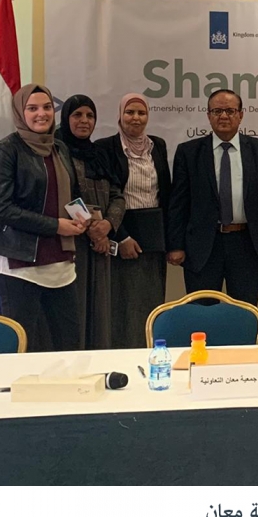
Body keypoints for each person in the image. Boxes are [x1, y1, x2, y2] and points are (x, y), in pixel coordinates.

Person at [0, 84, 86, 351]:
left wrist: (82, 217)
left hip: (61, 267)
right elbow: (1, 208)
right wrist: (56, 226)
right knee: (22, 349)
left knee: (70, 348)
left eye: (46, 107)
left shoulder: (60, 148)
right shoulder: (5, 150)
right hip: (20, 267)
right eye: (32, 108)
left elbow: (70, 194)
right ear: (20, 113)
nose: (41, 114)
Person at [167, 89, 258, 306]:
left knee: (244, 311)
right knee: (202, 312)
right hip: (203, 246)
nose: (223, 116)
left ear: (241, 114)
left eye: (230, 111)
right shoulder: (189, 152)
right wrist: (175, 245)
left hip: (247, 244)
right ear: (208, 115)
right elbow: (178, 203)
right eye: (217, 111)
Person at [96, 94, 172, 349]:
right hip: (122, 235)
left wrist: (169, 239)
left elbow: (165, 193)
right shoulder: (106, 147)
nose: (136, 118)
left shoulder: (157, 145)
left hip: (154, 237)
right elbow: (106, 196)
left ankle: (149, 353)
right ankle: (123, 356)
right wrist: (122, 237)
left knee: (151, 302)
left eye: (141, 112)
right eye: (130, 112)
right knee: (122, 305)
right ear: (120, 115)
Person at [55, 95, 125, 349]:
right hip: (70, 243)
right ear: (66, 118)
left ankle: (99, 363)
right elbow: (64, 196)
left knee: (100, 310)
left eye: (90, 116)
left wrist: (107, 226)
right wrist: (92, 230)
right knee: (74, 309)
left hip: (100, 245)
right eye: (77, 115)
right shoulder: (56, 152)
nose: (84, 121)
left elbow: (117, 195)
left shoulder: (99, 154)